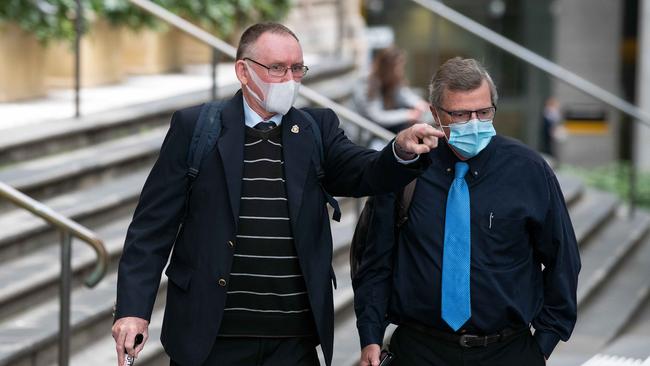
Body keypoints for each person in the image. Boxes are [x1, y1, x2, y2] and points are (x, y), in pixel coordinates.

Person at [111, 23, 444, 366]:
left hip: (292, 343)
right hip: (210, 340)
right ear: (243, 71)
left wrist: (400, 151)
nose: (290, 78)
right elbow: (151, 229)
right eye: (277, 68)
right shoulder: (196, 129)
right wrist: (133, 310)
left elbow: (364, 171)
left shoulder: (317, 129)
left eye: (297, 68)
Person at [353, 57, 581, 366]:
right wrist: (370, 336)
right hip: (420, 350)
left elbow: (563, 259)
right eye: (460, 114)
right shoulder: (408, 168)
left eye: (484, 112)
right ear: (435, 114)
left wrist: (543, 343)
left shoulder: (529, 171)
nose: (474, 122)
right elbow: (375, 259)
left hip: (507, 351)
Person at [354, 47, 430, 146]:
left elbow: (403, 95)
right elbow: (377, 116)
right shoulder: (367, 83)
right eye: (398, 67)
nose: (401, 71)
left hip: (386, 126)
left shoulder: (391, 78)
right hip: (369, 134)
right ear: (387, 67)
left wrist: (420, 104)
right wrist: (408, 114)